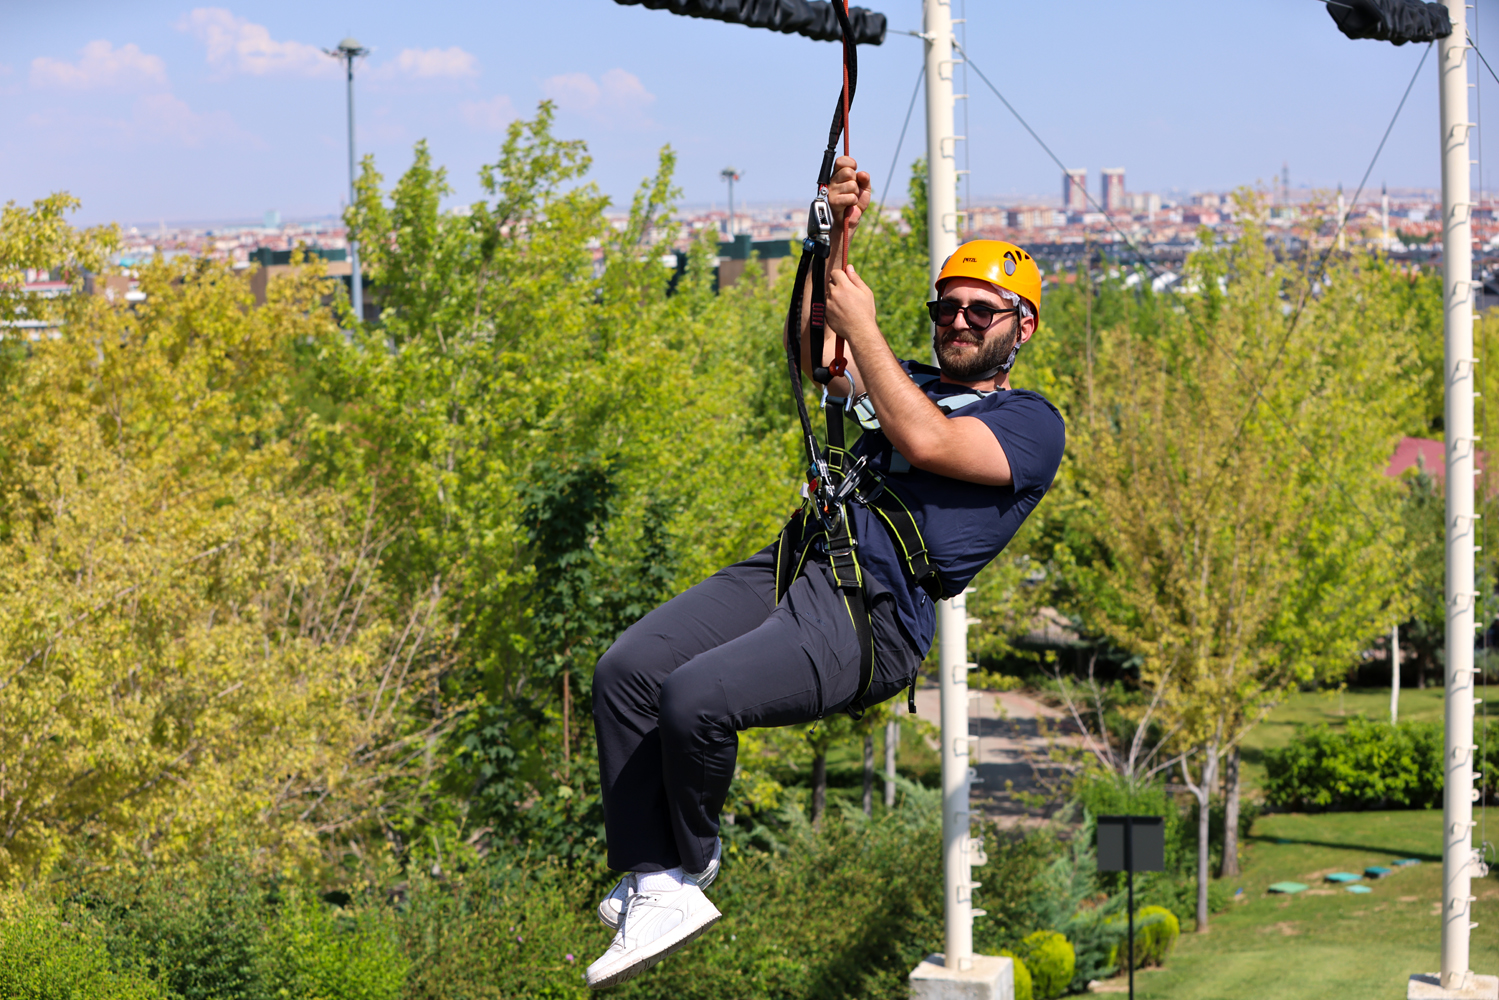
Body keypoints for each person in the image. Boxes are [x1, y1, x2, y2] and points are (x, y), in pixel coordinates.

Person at [584, 155, 1066, 990]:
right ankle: (655, 879)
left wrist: (866, 330)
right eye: (945, 308)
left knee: (695, 699)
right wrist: (832, 233)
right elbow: (818, 350)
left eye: (978, 310)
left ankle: (689, 867)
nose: (957, 321)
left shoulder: (1030, 424)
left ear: (1020, 328)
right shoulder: (906, 380)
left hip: (869, 614)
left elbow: (926, 441)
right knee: (626, 672)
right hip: (800, 560)